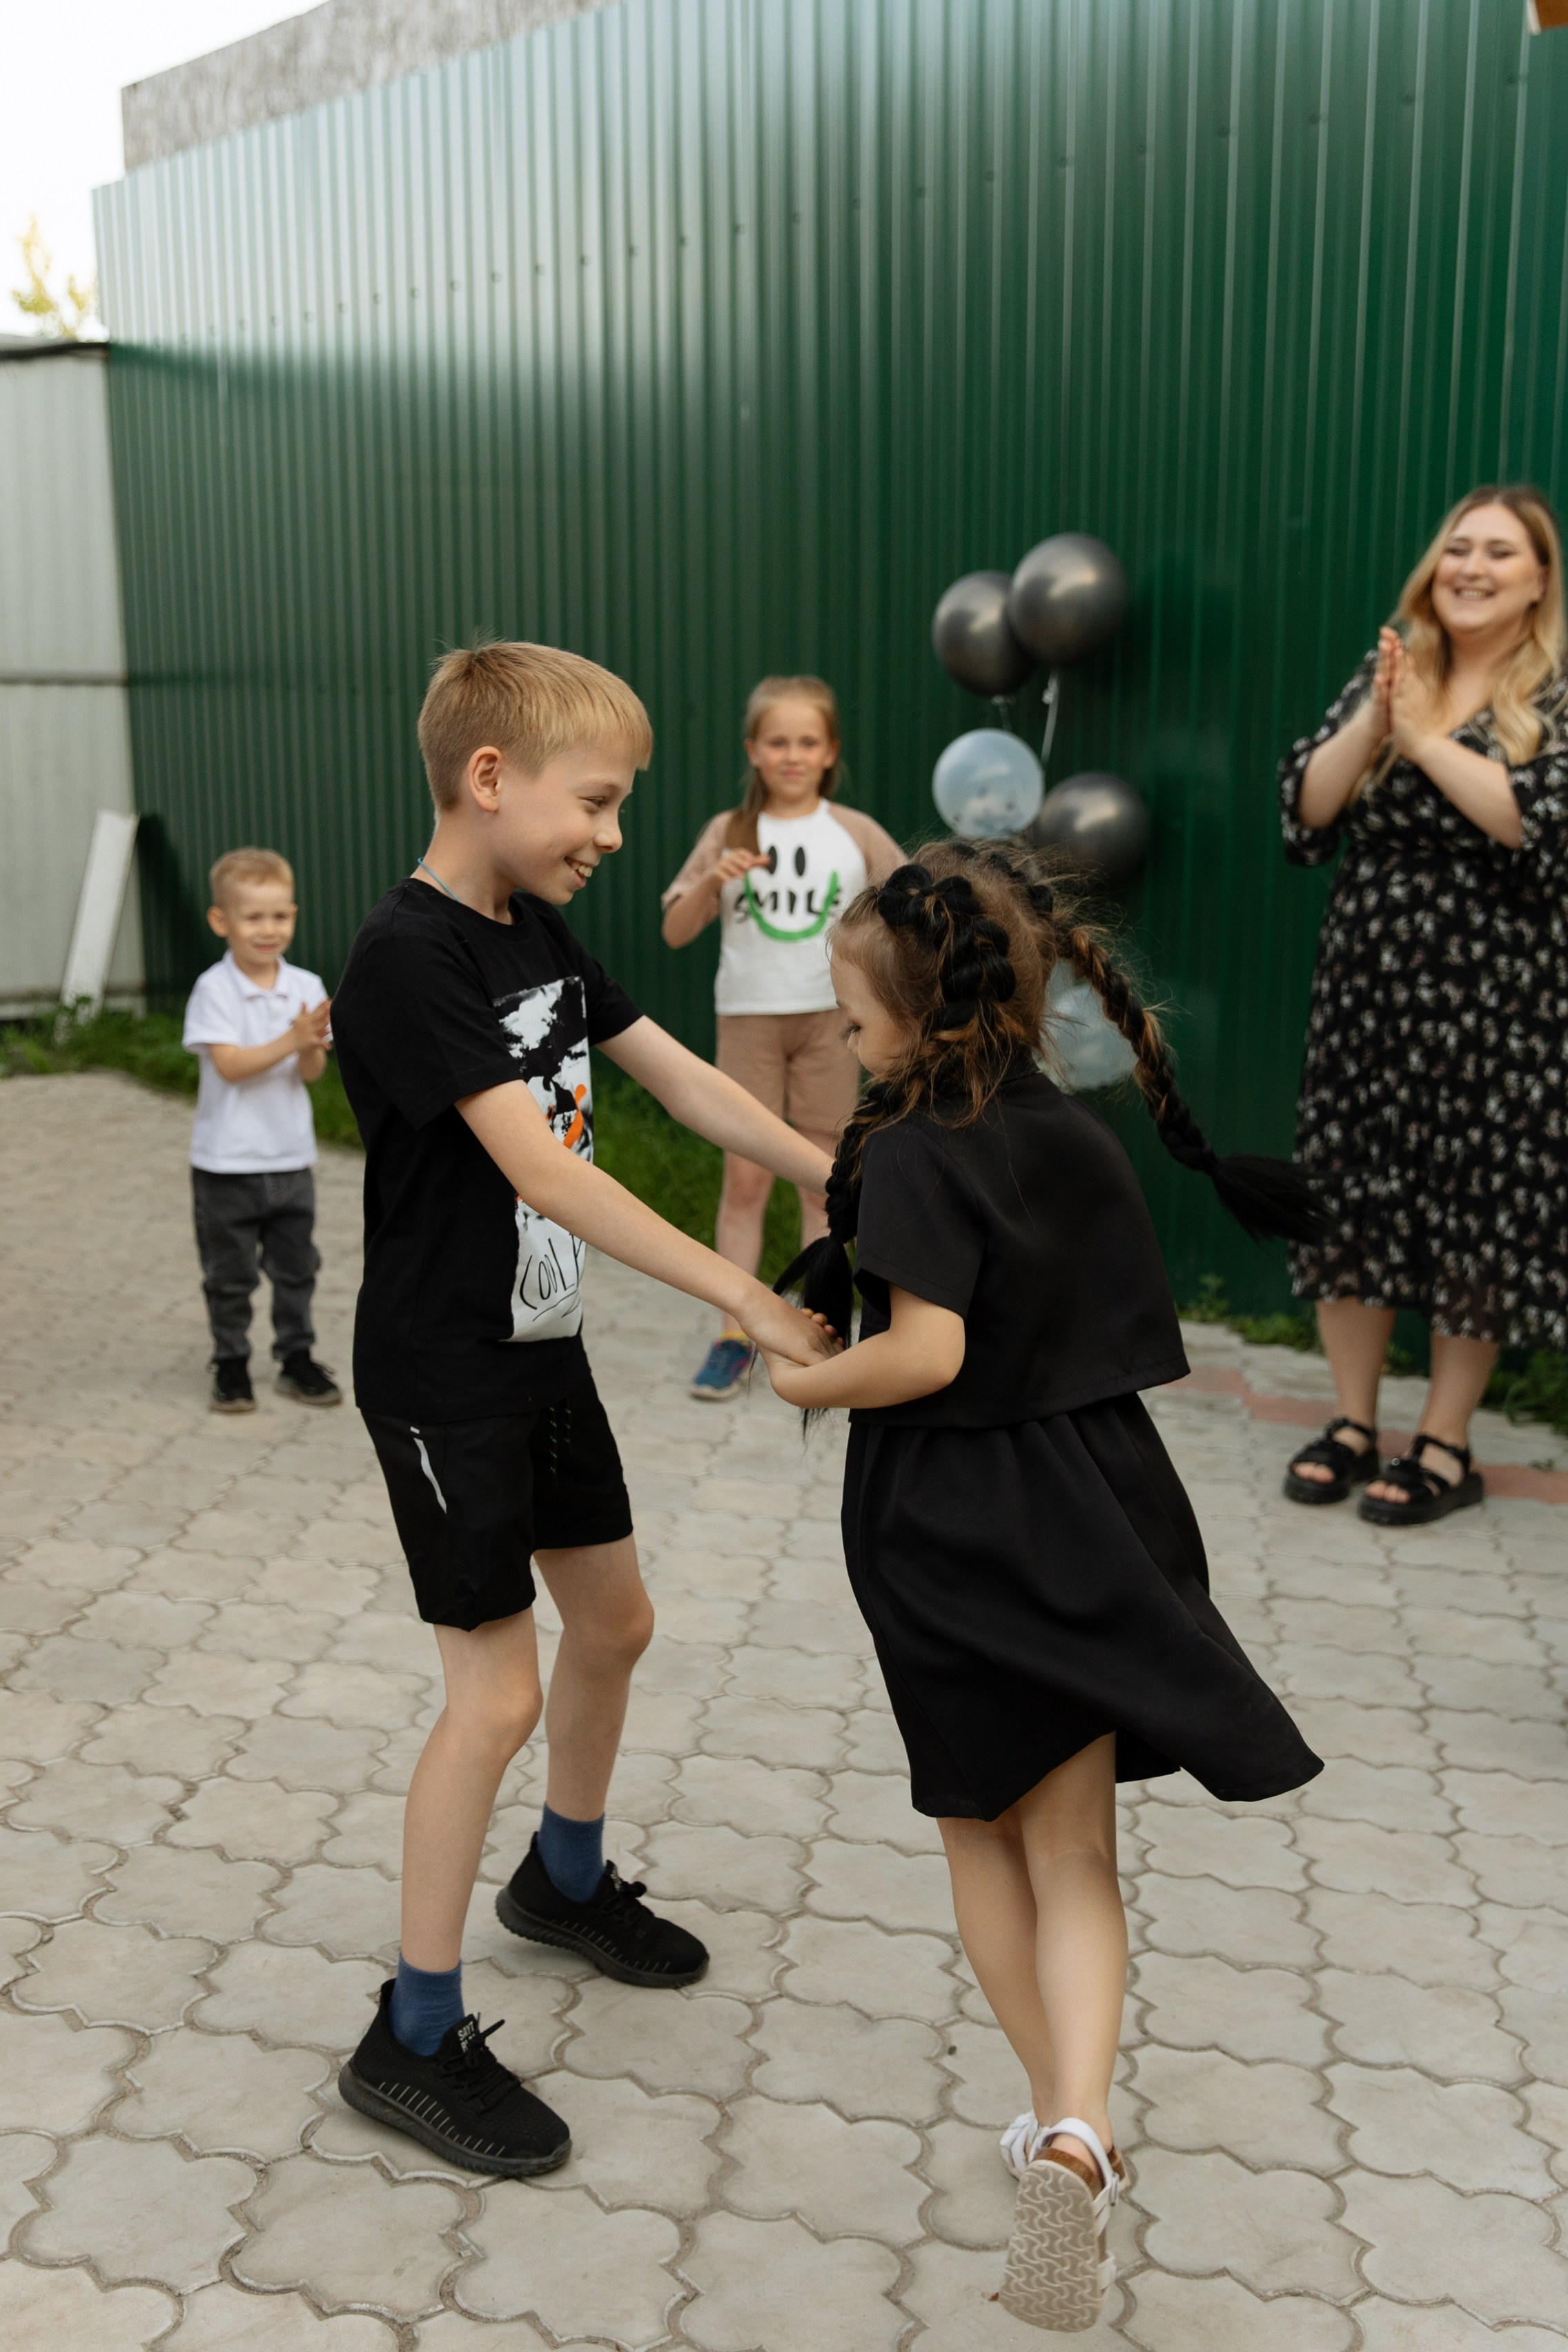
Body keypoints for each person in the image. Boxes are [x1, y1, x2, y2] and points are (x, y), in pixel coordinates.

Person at [756, 843, 1323, 2333]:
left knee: (973, 1833)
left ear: (919, 1010)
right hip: (1092, 1510)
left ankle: (1057, 2124)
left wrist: (803, 1383)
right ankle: (1074, 2131)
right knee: (1075, 1855)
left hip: (948, 1526)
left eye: (850, 1010)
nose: (841, 1030)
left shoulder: (917, 1150)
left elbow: (927, 1353)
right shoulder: (1061, 1129)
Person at [329, 642, 834, 2179]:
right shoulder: (407, 956)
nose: (614, 832)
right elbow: (544, 1170)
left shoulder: (533, 927)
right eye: (596, 801)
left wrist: (841, 1170)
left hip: (535, 1349)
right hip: (440, 1372)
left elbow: (681, 1080)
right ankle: (409, 2037)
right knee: (494, 1698)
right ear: (490, 778)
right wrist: (741, 1295)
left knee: (613, 1629)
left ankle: (560, 1882)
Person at [1278, 485, 1568, 1525]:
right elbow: (1308, 808)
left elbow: (1532, 822)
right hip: (1368, 988)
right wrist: (1378, 717)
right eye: (1458, 550)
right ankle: (1353, 1422)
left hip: (1500, 1003)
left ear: (1540, 580)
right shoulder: (1391, 667)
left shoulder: (1557, 689)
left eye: (1500, 552)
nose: (1473, 568)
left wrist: (1427, 738)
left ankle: (1444, 1442)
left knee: (1474, 1207)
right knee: (1353, 1192)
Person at [660, 675, 902, 1398]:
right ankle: (734, 1333)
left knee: (821, 1179)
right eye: (777, 742)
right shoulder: (728, 830)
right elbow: (674, 931)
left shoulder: (853, 831)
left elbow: (913, 898)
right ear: (753, 751)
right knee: (744, 1179)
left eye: (807, 741)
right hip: (747, 1021)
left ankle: (815, 1328)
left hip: (834, 1025)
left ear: (829, 752)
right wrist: (710, 881)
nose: (791, 755)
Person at [182, 847, 341, 1413]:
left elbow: (313, 1070)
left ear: (294, 916)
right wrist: (292, 1041)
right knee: (230, 1276)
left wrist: (309, 1048)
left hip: (291, 1158)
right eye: (253, 918)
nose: (269, 929)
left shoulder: (306, 984)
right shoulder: (215, 989)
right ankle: (230, 1363)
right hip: (227, 1164)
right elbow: (230, 1066)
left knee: (298, 1269)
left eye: (280, 916)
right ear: (221, 921)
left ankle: (296, 1358)